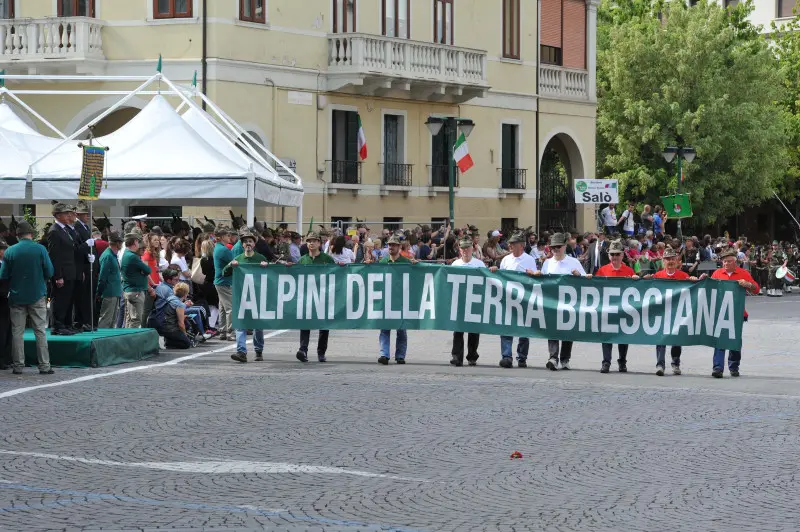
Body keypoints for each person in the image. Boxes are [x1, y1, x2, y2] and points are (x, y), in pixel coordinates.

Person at [0, 222, 55, 375]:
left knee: (17, 332)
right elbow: (50, 271)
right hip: (37, 294)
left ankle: (18, 366)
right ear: (31, 234)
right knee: (40, 331)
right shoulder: (40, 249)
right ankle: (44, 365)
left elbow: (3, 275)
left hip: (17, 296)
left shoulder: (10, 251)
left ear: (17, 235)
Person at [540, 232, 590, 370]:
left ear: (564, 246)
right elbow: (543, 282)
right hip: (552, 302)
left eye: (558, 246)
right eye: (553, 247)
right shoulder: (547, 263)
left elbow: (586, 280)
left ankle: (565, 358)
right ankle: (553, 357)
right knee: (552, 330)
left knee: (568, 330)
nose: (556, 249)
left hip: (569, 303)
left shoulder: (573, 262)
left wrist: (579, 275)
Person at [643, 246, 695, 375]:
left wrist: (695, 281)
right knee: (661, 339)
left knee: (677, 340)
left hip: (678, 312)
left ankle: (675, 363)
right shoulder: (657, 276)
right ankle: (660, 364)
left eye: (672, 258)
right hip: (662, 313)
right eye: (667, 259)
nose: (670, 261)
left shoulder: (684, 276)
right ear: (663, 261)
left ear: (677, 260)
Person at [710, 247, 760, 378]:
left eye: (729, 261)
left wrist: (748, 284)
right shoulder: (717, 273)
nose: (726, 264)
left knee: (734, 341)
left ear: (735, 262)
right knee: (719, 340)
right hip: (720, 313)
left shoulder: (743, 273)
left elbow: (756, 289)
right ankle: (718, 368)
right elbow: (709, 291)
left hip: (737, 313)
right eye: (724, 262)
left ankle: (734, 366)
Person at [492, 231, 539, 368]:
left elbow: (534, 279)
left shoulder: (529, 259)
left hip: (524, 299)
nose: (511, 246)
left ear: (521, 246)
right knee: (506, 327)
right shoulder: (506, 259)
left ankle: (522, 357)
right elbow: (501, 277)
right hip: (508, 298)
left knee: (524, 329)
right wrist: (496, 271)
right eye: (510, 244)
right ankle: (506, 356)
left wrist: (533, 274)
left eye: (513, 244)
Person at [223, 230, 269, 363]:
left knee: (258, 326)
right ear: (242, 245)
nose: (247, 243)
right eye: (245, 242)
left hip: (257, 296)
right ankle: (241, 351)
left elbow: (271, 276)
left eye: (250, 241)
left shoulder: (260, 258)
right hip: (241, 296)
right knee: (240, 324)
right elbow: (224, 272)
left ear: (254, 244)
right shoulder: (238, 259)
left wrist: (266, 266)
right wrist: (231, 265)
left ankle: (258, 350)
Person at [595, 241, 639, 373]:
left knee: (623, 337)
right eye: (612, 254)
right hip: (607, 310)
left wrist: (636, 280)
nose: (614, 257)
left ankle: (622, 362)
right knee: (607, 337)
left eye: (617, 254)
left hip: (623, 310)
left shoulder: (629, 271)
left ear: (622, 255)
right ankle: (606, 362)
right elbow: (595, 288)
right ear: (609, 256)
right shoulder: (602, 271)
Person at [294, 231, 334, 362]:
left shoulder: (327, 259)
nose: (311, 243)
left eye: (314, 241)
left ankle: (321, 352)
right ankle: (303, 350)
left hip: (323, 296)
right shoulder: (302, 259)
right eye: (309, 241)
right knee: (305, 323)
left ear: (319, 243)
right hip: (307, 297)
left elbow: (337, 275)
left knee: (324, 326)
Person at [450, 235, 486, 367]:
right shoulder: (455, 264)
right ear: (459, 249)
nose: (465, 250)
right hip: (459, 301)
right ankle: (456, 356)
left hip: (474, 301)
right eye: (463, 248)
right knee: (458, 330)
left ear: (472, 248)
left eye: (467, 248)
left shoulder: (479, 264)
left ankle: (472, 356)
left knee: (473, 331)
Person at [378, 234, 413, 365]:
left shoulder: (406, 262)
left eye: (393, 245)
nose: (391, 247)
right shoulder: (383, 262)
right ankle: (384, 354)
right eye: (389, 245)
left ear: (399, 246)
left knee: (401, 330)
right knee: (384, 329)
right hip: (386, 300)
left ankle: (400, 356)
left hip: (401, 300)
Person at [47, 203, 81, 335]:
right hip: (62, 272)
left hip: (70, 271)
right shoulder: (55, 231)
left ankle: (66, 323)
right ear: (58, 215)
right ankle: (57, 325)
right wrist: (58, 275)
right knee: (60, 300)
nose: (68, 215)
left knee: (68, 299)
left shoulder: (65, 229)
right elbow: (54, 256)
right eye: (65, 213)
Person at [121, 233, 153, 329]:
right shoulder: (132, 256)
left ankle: (126, 340)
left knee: (129, 319)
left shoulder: (127, 253)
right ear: (135, 242)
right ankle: (130, 342)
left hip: (130, 290)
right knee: (136, 319)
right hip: (135, 291)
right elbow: (148, 270)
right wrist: (142, 271)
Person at [97, 231, 124, 329]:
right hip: (109, 292)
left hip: (114, 292)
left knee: (112, 321)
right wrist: (99, 292)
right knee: (106, 320)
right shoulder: (108, 256)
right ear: (117, 243)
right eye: (120, 242)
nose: (121, 244)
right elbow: (102, 277)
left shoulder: (111, 255)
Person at [213, 226, 235, 341]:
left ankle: (222, 331)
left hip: (219, 281)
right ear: (221, 237)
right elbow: (235, 262)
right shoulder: (224, 250)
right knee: (230, 307)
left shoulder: (218, 247)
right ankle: (230, 332)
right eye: (227, 235)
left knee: (222, 307)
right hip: (224, 281)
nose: (229, 237)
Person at [0, 238, 10, 370]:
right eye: (3, 249)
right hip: (2, 299)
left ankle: (6, 357)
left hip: (7, 300)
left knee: (7, 330)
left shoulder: (6, 263)